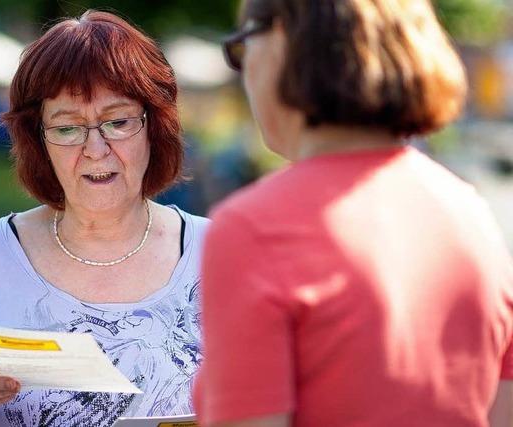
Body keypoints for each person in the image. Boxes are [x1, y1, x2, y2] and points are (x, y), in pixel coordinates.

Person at [194, 1, 513, 426]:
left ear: (282, 42)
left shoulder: (255, 226)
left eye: (240, 47)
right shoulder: (470, 212)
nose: (243, 68)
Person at [0, 10, 208, 427]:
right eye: (68, 128)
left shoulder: (219, 252)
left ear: (154, 127)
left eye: (118, 122)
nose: (96, 149)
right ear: (38, 140)